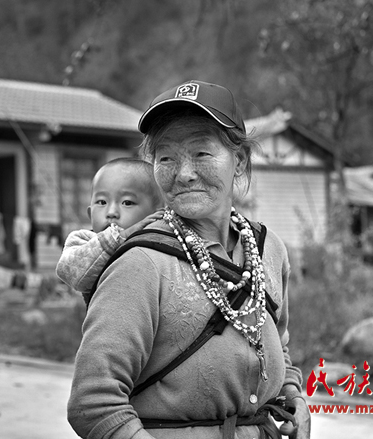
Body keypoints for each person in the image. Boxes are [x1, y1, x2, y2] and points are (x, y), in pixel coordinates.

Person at [67, 80, 310, 439]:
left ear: (239, 162)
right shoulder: (141, 263)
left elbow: (276, 343)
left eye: (201, 153)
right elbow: (93, 402)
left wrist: (293, 395)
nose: (183, 174)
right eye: (166, 158)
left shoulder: (268, 249)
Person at [56, 158, 164, 299]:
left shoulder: (162, 244)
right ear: (90, 213)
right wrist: (118, 237)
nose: (111, 212)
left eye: (127, 202)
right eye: (102, 202)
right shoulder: (83, 240)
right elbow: (71, 272)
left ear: (156, 214)